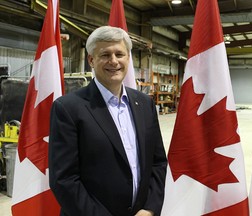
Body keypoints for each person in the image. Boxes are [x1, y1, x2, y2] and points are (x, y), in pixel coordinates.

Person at [48, 26, 167, 216]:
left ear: (128, 58)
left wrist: (150, 208)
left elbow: (158, 163)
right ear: (91, 60)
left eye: (119, 54)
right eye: (105, 55)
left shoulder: (145, 104)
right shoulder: (68, 108)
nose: (114, 61)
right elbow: (64, 179)